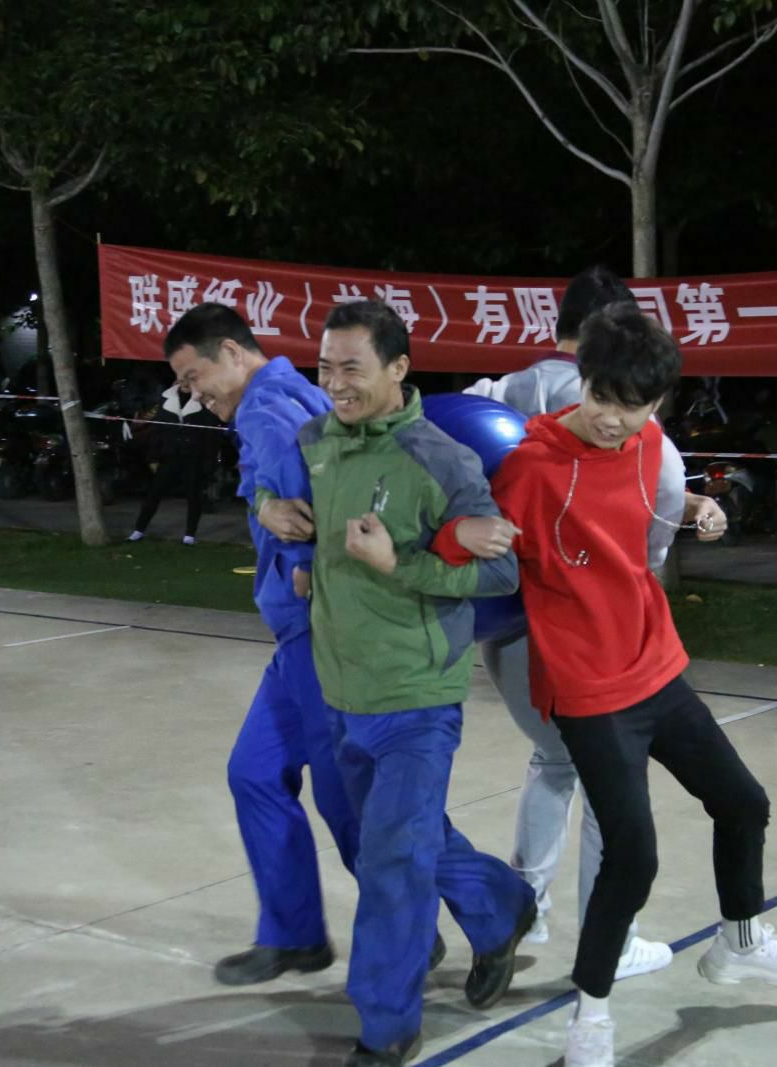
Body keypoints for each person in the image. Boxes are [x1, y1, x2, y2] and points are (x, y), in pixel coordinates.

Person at [454, 302, 777, 1067]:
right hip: (588, 692)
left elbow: (638, 506)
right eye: (600, 397)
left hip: (656, 668)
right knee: (634, 854)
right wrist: (450, 534)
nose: (611, 418)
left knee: (744, 802)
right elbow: (471, 539)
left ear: (656, 402)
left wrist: (697, 504)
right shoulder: (530, 466)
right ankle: (590, 1017)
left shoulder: (649, 443)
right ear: (582, 380)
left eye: (631, 405)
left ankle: (739, 941)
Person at [293, 299, 537, 1066]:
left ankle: (386, 1026)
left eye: (352, 367)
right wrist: (287, 537)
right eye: (325, 367)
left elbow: (499, 572)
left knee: (394, 859)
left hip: (417, 696)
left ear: (399, 368)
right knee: (401, 838)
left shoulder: (443, 460)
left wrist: (399, 563)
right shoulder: (316, 441)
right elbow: (303, 523)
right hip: (341, 687)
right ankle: (500, 907)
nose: (335, 382)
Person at [458, 265, 715, 981]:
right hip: (584, 634)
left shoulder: (498, 392)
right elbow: (647, 550)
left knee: (554, 760)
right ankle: (614, 937)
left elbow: (443, 446)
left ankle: (526, 905)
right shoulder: (641, 431)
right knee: (610, 779)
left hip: (505, 622)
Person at [162, 303, 365, 986]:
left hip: (316, 631)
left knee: (348, 799)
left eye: (193, 377)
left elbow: (306, 499)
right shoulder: (290, 394)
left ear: (230, 352)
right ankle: (295, 935)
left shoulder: (265, 407)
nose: (193, 393)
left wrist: (303, 561)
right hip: (299, 637)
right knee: (255, 773)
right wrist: (261, 507)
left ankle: (468, 912)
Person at [127, 379, 223, 545]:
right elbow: (157, 430)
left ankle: (189, 535)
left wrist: (209, 461)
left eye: (190, 379)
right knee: (154, 493)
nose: (185, 383)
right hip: (169, 455)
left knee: (194, 495)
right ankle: (138, 530)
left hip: (193, 456)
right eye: (182, 379)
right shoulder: (166, 399)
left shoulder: (204, 402)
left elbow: (210, 435)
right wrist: (153, 457)